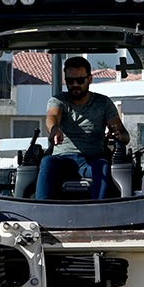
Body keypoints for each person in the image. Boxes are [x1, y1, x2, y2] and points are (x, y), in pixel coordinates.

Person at [39, 56, 128, 198]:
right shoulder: (58, 100)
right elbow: (53, 116)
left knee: (103, 166)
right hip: (62, 159)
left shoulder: (103, 103)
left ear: (90, 79)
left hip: (92, 159)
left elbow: (124, 135)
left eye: (80, 80)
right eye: (70, 81)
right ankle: (41, 211)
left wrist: (117, 134)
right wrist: (54, 129)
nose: (75, 85)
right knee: (47, 162)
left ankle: (99, 212)